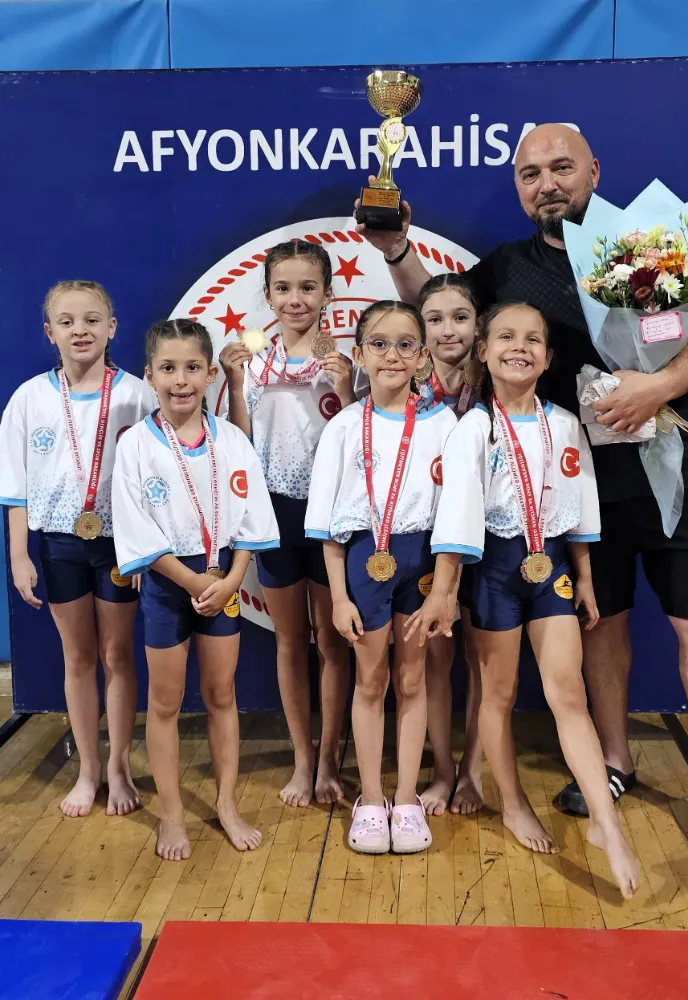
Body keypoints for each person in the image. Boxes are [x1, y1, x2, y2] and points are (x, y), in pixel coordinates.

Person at [356, 125, 688, 861]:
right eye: (530, 173)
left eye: (561, 168)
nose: (547, 184)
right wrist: (396, 250)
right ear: (518, 187)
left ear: (593, 170)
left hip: (675, 468)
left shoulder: (650, 248)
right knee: (601, 624)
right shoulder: (507, 268)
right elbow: (439, 311)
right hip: (578, 485)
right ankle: (614, 759)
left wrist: (656, 387)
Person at [409, 301, 639, 898]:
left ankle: (606, 823)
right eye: (506, 337)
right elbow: (457, 514)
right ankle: (511, 803)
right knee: (499, 695)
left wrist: (584, 576)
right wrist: (444, 591)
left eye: (533, 339)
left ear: (548, 356)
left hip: (550, 568)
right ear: (483, 352)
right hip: (494, 573)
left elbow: (579, 505)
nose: (520, 347)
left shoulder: (565, 424)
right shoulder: (472, 429)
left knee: (569, 694)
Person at [112, 319, 280, 861]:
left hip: (221, 576)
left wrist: (229, 579)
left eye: (191, 368)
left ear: (211, 374)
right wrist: (191, 581)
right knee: (164, 702)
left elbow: (253, 518)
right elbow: (136, 528)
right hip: (169, 583)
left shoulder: (232, 440)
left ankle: (226, 804)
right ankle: (172, 814)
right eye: (168, 368)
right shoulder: (136, 445)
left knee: (221, 694)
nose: (180, 380)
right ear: (149, 375)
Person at [305, 301, 456, 854]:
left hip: (423, 562)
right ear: (360, 354)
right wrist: (338, 597)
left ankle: (407, 798)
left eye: (405, 344)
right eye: (379, 344)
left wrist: (446, 588)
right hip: (365, 562)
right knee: (371, 681)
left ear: (422, 357)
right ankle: (371, 800)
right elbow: (326, 525)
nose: (392, 355)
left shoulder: (444, 425)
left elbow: (455, 515)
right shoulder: (345, 426)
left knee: (412, 679)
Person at [0, 280, 147, 819]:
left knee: (117, 655)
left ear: (112, 327)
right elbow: (14, 488)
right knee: (79, 657)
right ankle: (88, 769)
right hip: (60, 544)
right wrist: (19, 556)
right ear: (49, 332)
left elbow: (157, 477)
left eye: (91, 320)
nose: (80, 330)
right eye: (67, 322)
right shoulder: (29, 399)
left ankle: (120, 766)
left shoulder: (138, 395)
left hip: (121, 546)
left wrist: (143, 549)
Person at [220, 241, 354, 809]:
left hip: (330, 515)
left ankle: (329, 759)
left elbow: (363, 436)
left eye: (307, 287)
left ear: (328, 293)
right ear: (268, 295)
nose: (295, 299)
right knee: (290, 641)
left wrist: (345, 386)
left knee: (333, 641)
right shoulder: (252, 365)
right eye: (283, 288)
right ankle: (303, 758)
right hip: (274, 514)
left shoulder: (346, 361)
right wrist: (233, 384)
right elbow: (239, 444)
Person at [415, 274, 483, 816]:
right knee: (435, 660)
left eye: (460, 317)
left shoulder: (501, 383)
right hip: (424, 540)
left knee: (483, 661)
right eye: (434, 319)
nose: (447, 330)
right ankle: (441, 769)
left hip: (489, 542)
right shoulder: (402, 389)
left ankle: (473, 772)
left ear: (478, 325)